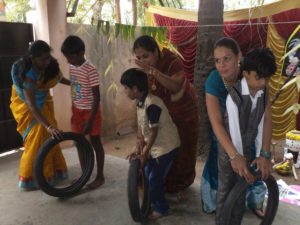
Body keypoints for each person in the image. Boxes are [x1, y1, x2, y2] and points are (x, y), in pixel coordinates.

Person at [200, 37, 274, 217]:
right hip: (223, 135)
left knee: (249, 175)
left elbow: (266, 117)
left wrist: (264, 153)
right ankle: (220, 212)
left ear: (239, 57)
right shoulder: (215, 81)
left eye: (227, 58)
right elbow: (216, 122)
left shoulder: (256, 74)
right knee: (224, 178)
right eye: (217, 60)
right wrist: (234, 155)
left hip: (248, 136)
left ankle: (251, 203)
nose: (222, 65)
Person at [132, 35, 199, 193]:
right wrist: (139, 136)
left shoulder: (171, 61)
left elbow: (175, 86)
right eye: (139, 57)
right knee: (159, 146)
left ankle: (178, 185)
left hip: (183, 114)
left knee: (182, 149)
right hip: (160, 115)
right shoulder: (142, 72)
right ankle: (159, 184)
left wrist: (153, 72)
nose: (143, 60)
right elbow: (141, 102)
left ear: (156, 52)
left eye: (146, 56)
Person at [120, 68, 180, 219]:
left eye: (126, 88)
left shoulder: (153, 104)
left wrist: (144, 153)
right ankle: (153, 199)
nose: (124, 91)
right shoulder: (140, 102)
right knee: (147, 172)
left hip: (166, 147)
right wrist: (139, 146)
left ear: (135, 88)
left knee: (154, 178)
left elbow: (154, 132)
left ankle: (162, 208)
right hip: (154, 146)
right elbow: (142, 126)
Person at [10, 40, 69, 190]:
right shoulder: (28, 74)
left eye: (48, 58)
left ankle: (52, 172)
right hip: (28, 106)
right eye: (42, 59)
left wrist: (74, 83)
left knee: (50, 137)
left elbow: (58, 78)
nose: (46, 62)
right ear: (32, 58)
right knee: (37, 138)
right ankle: (31, 177)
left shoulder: (50, 65)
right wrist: (48, 126)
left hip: (43, 102)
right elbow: (31, 104)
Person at [61, 35, 105, 189]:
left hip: (91, 112)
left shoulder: (90, 70)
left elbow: (97, 97)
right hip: (77, 110)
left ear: (81, 53)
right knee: (79, 142)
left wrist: (91, 120)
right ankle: (84, 176)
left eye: (70, 57)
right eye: (66, 58)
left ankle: (100, 176)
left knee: (95, 142)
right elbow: (73, 83)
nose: (68, 61)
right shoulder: (72, 66)